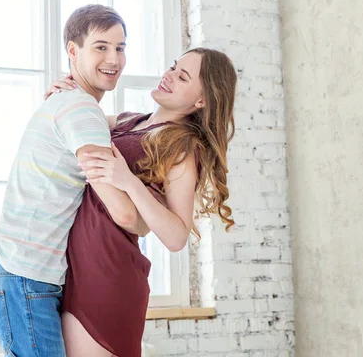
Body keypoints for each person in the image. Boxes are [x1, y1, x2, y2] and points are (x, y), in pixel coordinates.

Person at [46, 47, 237, 356]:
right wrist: (62, 94)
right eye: (173, 67)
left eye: (182, 76)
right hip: (75, 268)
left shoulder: (181, 146)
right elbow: (75, 125)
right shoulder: (130, 121)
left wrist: (128, 181)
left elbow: (176, 236)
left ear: (201, 101)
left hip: (107, 275)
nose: (169, 76)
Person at [0, 4, 144, 356]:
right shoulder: (79, 109)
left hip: (23, 275)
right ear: (73, 51)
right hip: (25, 277)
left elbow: (106, 122)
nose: (114, 59)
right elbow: (126, 214)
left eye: (120, 47)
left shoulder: (77, 106)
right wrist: (156, 222)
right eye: (101, 47)